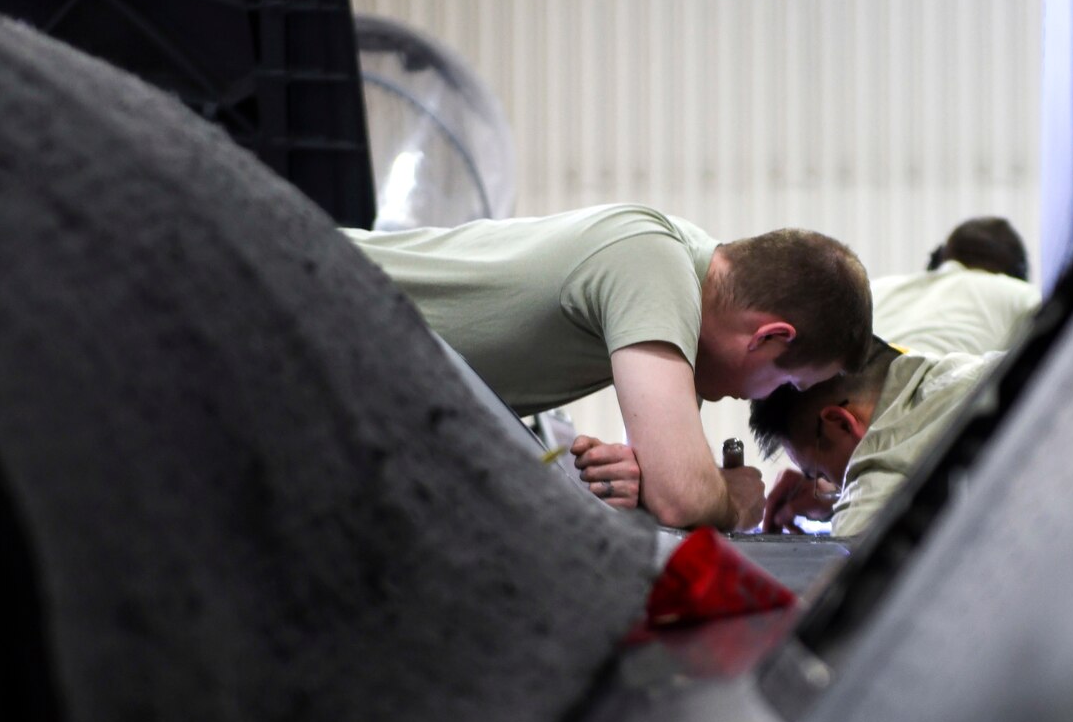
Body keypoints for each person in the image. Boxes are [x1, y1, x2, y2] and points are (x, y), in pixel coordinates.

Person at [346, 204, 872, 531]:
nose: (753, 397)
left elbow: (660, 479)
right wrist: (732, 500)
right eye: (783, 381)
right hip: (307, 308)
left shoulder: (679, 290)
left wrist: (636, 478)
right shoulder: (656, 263)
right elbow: (681, 496)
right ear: (770, 336)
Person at [750, 338, 999, 538]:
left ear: (842, 424)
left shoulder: (875, 495)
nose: (832, 484)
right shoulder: (979, 370)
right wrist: (833, 497)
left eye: (821, 474)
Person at [870, 215, 1040, 357]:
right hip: (945, 393)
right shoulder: (1020, 294)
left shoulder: (873, 290)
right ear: (1018, 273)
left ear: (937, 258)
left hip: (857, 392)